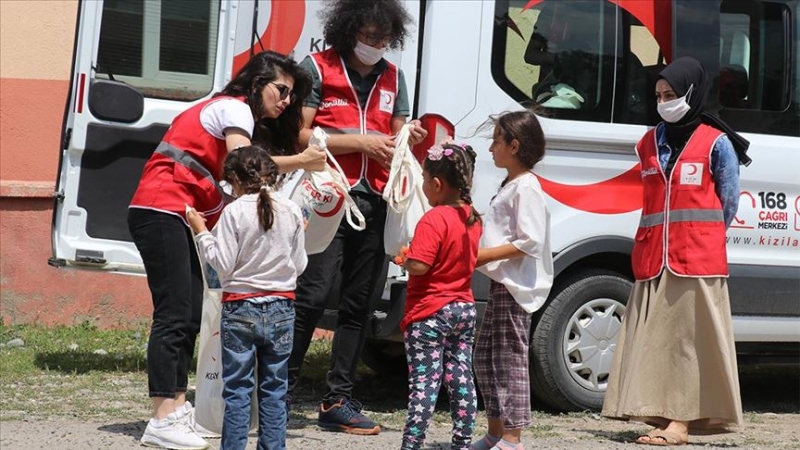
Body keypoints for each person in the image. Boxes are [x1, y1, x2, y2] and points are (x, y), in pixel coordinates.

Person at [128, 51, 323, 450]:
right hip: (163, 205)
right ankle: (164, 415)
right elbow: (244, 162)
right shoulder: (235, 108)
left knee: (188, 313)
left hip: (179, 210)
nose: (286, 101)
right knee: (175, 312)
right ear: (256, 84)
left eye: (292, 95)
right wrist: (302, 160)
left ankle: (175, 408)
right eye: (281, 90)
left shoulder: (232, 110)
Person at [286, 0, 428, 435]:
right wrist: (361, 143)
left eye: (383, 38)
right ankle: (278, 391)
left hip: (376, 201)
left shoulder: (393, 76)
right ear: (348, 31)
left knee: (359, 305)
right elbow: (300, 133)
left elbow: (398, 128)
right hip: (326, 198)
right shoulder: (316, 67)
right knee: (309, 296)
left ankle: (339, 399)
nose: (376, 45)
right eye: (368, 37)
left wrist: (408, 133)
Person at [602, 56, 748, 446]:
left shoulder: (717, 143)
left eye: (671, 94)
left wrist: (701, 235)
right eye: (659, 95)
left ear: (691, 93)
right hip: (654, 259)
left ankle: (680, 423)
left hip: (696, 260)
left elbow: (728, 203)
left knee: (688, 343)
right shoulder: (649, 142)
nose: (664, 101)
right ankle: (664, 415)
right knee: (659, 343)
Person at [187, 146, 307, 450]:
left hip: (240, 307)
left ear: (235, 180)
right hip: (282, 307)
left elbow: (222, 263)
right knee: (274, 389)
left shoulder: (234, 211)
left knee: (238, 390)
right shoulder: (291, 210)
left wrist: (201, 231)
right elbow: (300, 264)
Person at [470, 111, 553, 450]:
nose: (491, 148)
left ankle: (512, 437)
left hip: (515, 287)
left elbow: (530, 239)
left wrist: (482, 257)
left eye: (496, 141)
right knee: (485, 356)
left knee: (509, 359)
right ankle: (495, 431)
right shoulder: (510, 185)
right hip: (501, 283)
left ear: (514, 145)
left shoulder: (527, 188)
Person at [397, 142, 482, 450]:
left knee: (424, 383)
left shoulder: (434, 219)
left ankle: (413, 443)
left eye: (423, 177)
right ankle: (463, 441)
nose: (422, 184)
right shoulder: (472, 217)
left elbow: (420, 265)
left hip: (429, 312)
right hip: (463, 309)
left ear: (436, 184)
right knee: (461, 376)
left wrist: (405, 259)